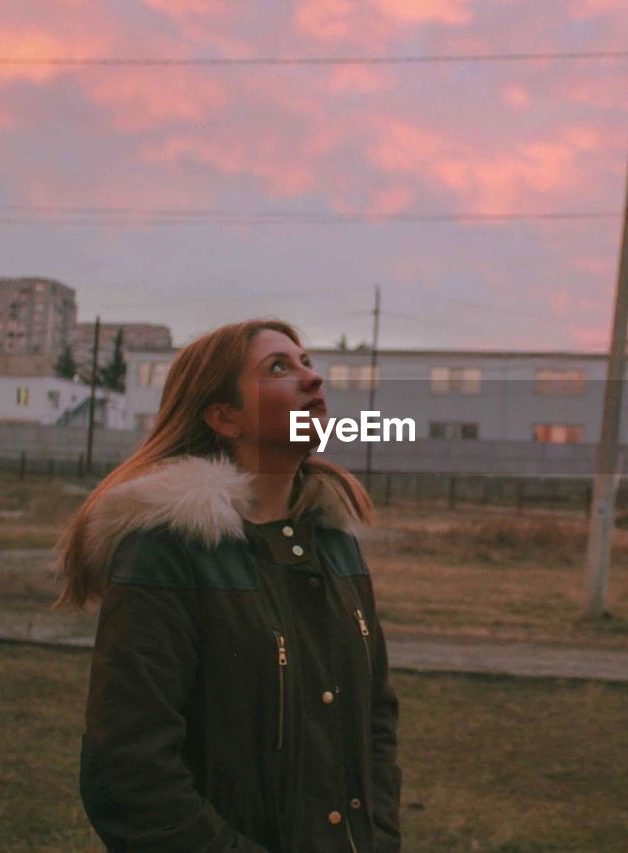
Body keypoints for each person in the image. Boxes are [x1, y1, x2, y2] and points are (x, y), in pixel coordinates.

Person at [52, 318, 402, 851]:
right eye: (278, 368)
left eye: (307, 362)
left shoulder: (337, 547)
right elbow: (129, 770)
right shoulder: (168, 553)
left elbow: (375, 721)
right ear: (225, 417)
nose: (312, 378)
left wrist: (378, 837)